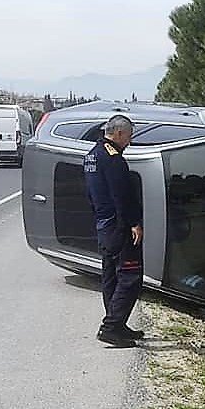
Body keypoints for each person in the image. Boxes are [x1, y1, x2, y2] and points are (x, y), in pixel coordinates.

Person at [84, 115, 144, 348]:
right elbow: (122, 195)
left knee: (111, 277)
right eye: (128, 136)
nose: (129, 141)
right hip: (119, 227)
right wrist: (133, 223)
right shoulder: (113, 159)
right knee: (130, 277)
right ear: (119, 133)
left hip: (104, 225)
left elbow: (90, 194)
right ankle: (110, 327)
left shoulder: (92, 155)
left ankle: (118, 324)